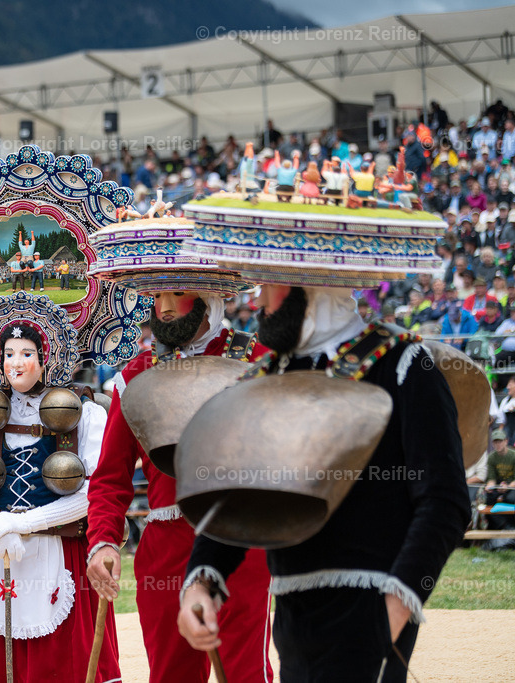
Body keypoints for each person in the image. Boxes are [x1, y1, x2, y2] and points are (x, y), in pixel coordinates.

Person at [177, 283, 470, 681]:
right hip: (292, 614)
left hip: (374, 606)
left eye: (270, 285)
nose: (258, 301)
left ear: (310, 283)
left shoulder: (403, 362)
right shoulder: (264, 378)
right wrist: (201, 582)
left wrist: (395, 609)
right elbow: (238, 499)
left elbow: (444, 501)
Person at [86, 284, 271, 680]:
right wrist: (103, 540)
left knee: (246, 674)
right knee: (171, 675)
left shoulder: (259, 361)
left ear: (210, 296)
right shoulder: (136, 375)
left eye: (178, 293)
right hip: (165, 551)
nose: (164, 308)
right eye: (156, 297)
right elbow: (110, 477)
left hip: (241, 542)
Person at [0, 322, 119, 683]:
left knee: (62, 662)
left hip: (61, 552)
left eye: (27, 353)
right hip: (0, 550)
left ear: (47, 357)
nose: (16, 363)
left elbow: (94, 492)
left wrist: (19, 523)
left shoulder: (85, 413)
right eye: (8, 354)